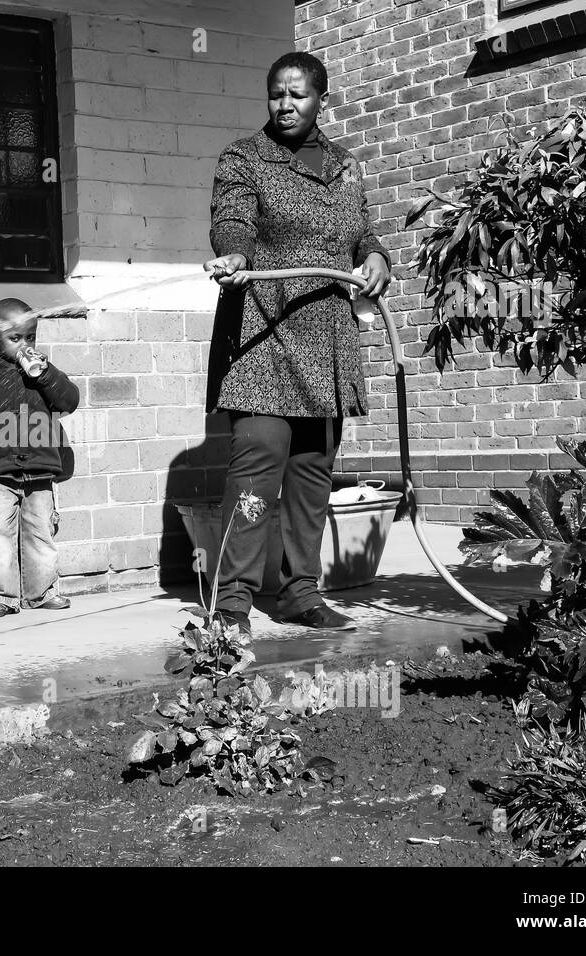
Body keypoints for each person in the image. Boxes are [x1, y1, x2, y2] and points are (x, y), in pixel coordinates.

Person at [203, 51, 392, 635]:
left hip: (329, 336)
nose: (285, 105)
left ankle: (300, 593)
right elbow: (231, 220)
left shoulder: (346, 166)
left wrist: (377, 257)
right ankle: (232, 600)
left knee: (312, 475)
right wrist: (234, 251)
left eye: (298, 95)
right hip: (266, 330)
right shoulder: (244, 157)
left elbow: (360, 232)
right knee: (256, 472)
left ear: (321, 99)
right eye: (276, 94)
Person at [0, 298, 79, 618]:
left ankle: (42, 591)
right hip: (0, 470)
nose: (25, 345)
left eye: (31, 337)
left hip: (39, 469)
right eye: (16, 338)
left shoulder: (44, 374)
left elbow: (69, 400)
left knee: (41, 533)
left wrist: (46, 372)